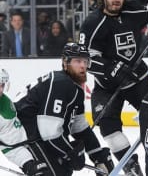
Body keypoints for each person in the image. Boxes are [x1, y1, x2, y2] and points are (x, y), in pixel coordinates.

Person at [79, 0, 148, 175]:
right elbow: (84, 58)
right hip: (106, 85)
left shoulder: (131, 9)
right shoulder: (92, 23)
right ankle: (131, 166)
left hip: (138, 79)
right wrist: (111, 69)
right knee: (107, 126)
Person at [13, 43, 114, 176]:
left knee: (64, 168)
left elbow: (79, 127)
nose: (83, 66)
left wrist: (97, 154)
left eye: (85, 61)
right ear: (65, 62)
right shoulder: (61, 84)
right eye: (77, 61)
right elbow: (48, 132)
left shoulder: (75, 88)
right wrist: (70, 153)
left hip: (34, 133)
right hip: (19, 133)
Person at [0, 69, 50, 175]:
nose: (0, 89)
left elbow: (12, 138)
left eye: (2, 85)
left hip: (29, 140)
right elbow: (10, 143)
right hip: (23, 144)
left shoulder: (4, 103)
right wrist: (27, 163)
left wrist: (28, 163)